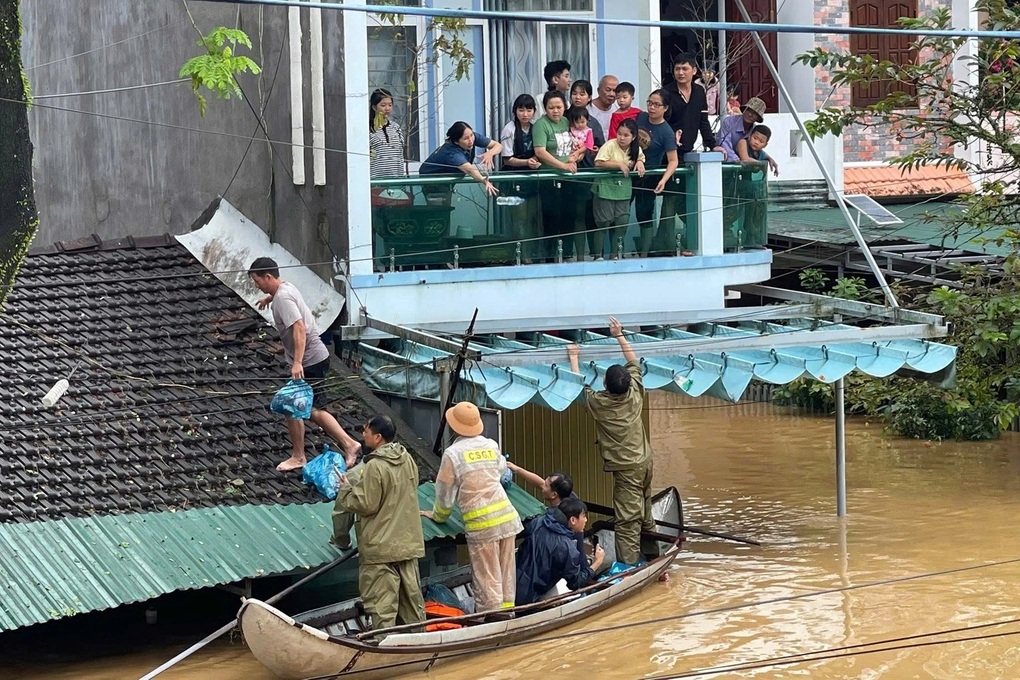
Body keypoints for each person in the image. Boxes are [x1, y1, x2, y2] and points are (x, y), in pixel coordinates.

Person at [249, 258, 361, 472]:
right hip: (315, 357)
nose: (256, 285)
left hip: (309, 360)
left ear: (268, 277)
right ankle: (348, 444)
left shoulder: (282, 298)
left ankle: (301, 455)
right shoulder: (285, 289)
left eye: (257, 281)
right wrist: (267, 298)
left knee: (295, 405)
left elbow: (299, 328)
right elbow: (282, 299)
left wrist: (297, 362)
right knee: (310, 408)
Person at [568, 317, 657, 566]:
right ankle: (653, 556)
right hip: (645, 461)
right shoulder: (635, 392)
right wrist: (619, 334)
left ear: (605, 384)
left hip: (627, 468)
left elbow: (579, 386)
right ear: (628, 383)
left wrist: (574, 357)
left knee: (627, 520)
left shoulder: (600, 403)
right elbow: (633, 361)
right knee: (644, 509)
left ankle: (630, 570)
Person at [423, 402, 523, 618]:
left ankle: (493, 620)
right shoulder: (490, 444)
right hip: (507, 517)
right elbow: (500, 470)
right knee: (506, 575)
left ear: (454, 426)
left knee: (487, 578)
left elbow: (444, 492)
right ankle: (510, 614)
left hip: (482, 524)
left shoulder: (453, 454)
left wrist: (438, 516)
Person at [333, 415, 425, 631]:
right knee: (411, 604)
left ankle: (384, 648)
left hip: (380, 548)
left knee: (382, 606)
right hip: (407, 544)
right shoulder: (408, 459)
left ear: (378, 437)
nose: (362, 433)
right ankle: (419, 647)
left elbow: (366, 504)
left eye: (366, 430)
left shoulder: (374, 467)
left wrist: (346, 488)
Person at [515, 497, 605, 606]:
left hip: (510, 584)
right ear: (573, 520)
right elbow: (575, 583)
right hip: (529, 599)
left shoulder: (538, 522)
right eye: (584, 516)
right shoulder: (567, 548)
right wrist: (597, 562)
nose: (586, 520)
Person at [533, 90, 587, 261]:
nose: (555, 111)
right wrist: (562, 165)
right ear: (545, 108)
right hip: (550, 178)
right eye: (551, 108)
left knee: (569, 216)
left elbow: (579, 146)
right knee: (551, 218)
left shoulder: (566, 122)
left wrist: (575, 158)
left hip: (569, 177)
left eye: (559, 107)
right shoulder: (541, 125)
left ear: (565, 107)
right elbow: (540, 152)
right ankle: (549, 256)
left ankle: (567, 254)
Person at [634, 90, 679, 257]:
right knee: (621, 213)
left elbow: (673, 160)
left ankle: (645, 253)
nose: (651, 107)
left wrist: (663, 180)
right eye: (649, 103)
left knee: (644, 214)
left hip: (648, 176)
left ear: (665, 108)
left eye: (656, 104)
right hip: (628, 171)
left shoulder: (666, 132)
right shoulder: (641, 118)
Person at [499, 94, 543, 263]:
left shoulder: (535, 128)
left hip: (532, 178)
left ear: (534, 111)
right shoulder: (509, 129)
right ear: (515, 111)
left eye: (529, 110)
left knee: (533, 218)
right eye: (521, 109)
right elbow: (507, 159)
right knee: (520, 219)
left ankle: (532, 252)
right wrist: (527, 162)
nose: (525, 114)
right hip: (514, 178)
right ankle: (520, 254)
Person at [593, 118, 645, 260]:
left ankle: (615, 255)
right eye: (619, 134)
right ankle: (598, 255)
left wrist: (640, 162)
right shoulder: (609, 145)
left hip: (624, 190)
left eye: (626, 135)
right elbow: (598, 162)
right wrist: (618, 165)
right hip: (605, 189)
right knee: (603, 223)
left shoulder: (636, 148)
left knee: (621, 224)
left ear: (633, 137)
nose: (622, 138)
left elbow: (640, 158)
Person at [419, 121, 502, 199]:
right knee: (440, 210)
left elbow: (498, 146)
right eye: (466, 138)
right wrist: (483, 180)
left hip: (448, 180)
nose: (471, 140)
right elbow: (469, 170)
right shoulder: (452, 153)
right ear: (456, 142)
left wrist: (490, 153)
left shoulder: (472, 137)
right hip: (432, 180)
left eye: (472, 135)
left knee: (447, 207)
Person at [663, 54, 722, 154]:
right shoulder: (666, 93)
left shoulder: (699, 92)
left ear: (694, 71)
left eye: (685, 69)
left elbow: (703, 121)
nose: (680, 73)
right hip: (666, 149)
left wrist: (713, 145)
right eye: (677, 69)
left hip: (688, 149)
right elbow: (661, 121)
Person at [719, 97, 778, 175]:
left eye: (754, 113)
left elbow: (756, 148)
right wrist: (737, 161)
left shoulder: (755, 130)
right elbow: (724, 144)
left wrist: (768, 158)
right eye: (748, 110)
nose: (750, 114)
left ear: (758, 118)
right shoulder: (729, 122)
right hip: (725, 165)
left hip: (745, 170)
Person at [368, 88, 406, 179]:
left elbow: (400, 154)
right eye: (383, 105)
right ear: (374, 107)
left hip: (397, 179)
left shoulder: (395, 127)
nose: (387, 108)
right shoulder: (368, 129)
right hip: (376, 181)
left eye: (390, 105)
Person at [570, 80, 607, 150]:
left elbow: (601, 146)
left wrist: (596, 150)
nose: (577, 97)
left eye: (582, 94)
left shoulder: (593, 122)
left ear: (589, 98)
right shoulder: (563, 117)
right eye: (574, 94)